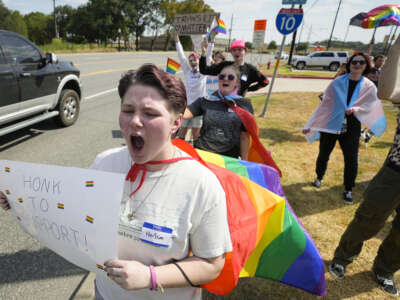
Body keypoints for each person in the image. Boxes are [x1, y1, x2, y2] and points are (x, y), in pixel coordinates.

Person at [1, 64, 232, 300]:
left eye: (150, 113)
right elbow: (75, 215)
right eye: (128, 110)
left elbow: (212, 264)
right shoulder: (104, 164)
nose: (135, 121)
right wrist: (21, 199)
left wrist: (151, 277)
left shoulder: (201, 184)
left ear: (176, 123)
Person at [328, 35, 400, 297]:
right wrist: (397, 47)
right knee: (369, 219)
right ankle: (343, 257)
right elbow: (386, 93)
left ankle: (385, 269)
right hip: (396, 171)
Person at [303, 52, 386, 205]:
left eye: (362, 62)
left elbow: (371, 105)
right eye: (354, 62)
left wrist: (356, 109)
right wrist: (311, 124)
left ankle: (348, 189)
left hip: (352, 125)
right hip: (331, 123)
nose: (358, 64)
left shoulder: (369, 86)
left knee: (351, 159)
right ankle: (319, 177)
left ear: (366, 65)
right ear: (349, 64)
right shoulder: (337, 82)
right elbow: (325, 104)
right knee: (323, 154)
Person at [183, 64, 253, 159]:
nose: (225, 79)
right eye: (222, 76)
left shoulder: (244, 105)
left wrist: (245, 163)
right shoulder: (206, 100)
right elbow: (183, 113)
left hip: (229, 159)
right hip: (204, 155)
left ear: (237, 83)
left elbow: (244, 137)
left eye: (231, 77)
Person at [199, 38, 268, 97]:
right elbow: (204, 70)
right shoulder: (224, 65)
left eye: (239, 50)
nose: (236, 52)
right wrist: (203, 53)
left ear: (246, 51)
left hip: (238, 106)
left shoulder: (250, 69)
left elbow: (265, 81)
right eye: (234, 50)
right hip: (221, 104)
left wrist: (249, 89)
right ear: (231, 52)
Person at [173, 31, 207, 142]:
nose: (192, 62)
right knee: (182, 133)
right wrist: (177, 40)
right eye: (191, 60)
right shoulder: (188, 71)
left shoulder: (203, 72)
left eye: (195, 60)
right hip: (187, 108)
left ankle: (196, 156)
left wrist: (205, 50)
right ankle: (182, 153)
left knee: (196, 135)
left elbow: (207, 56)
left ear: (199, 60)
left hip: (198, 109)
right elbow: (181, 57)